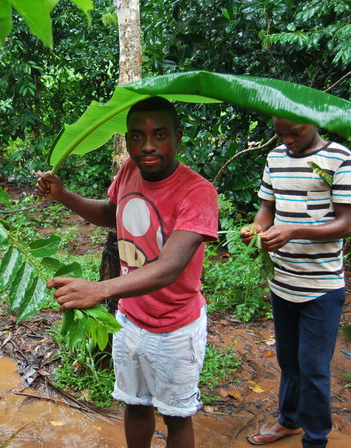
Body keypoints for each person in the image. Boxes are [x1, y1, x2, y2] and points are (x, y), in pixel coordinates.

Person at [36, 96, 218, 448]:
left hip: (174, 328)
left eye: (159, 135)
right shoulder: (130, 171)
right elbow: (111, 215)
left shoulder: (198, 193)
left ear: (178, 137)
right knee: (134, 405)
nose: (147, 146)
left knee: (177, 417)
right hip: (130, 320)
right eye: (136, 137)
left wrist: (101, 289)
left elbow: (169, 266)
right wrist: (63, 195)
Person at [241, 117, 351, 447]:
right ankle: (289, 421)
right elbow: (267, 208)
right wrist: (256, 229)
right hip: (282, 282)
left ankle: (316, 439)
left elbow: (346, 223)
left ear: (314, 122)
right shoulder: (275, 159)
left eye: (296, 133)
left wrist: (294, 230)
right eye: (281, 134)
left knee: (314, 369)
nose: (288, 140)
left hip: (321, 288)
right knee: (288, 361)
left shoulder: (341, 159)